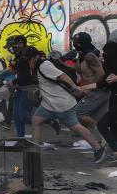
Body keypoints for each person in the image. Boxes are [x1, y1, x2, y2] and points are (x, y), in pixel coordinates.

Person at [28, 46, 106, 163]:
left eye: (29, 60)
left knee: (75, 126)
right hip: (49, 104)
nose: (29, 63)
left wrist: (75, 87)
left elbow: (62, 76)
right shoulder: (37, 66)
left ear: (35, 57)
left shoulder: (44, 65)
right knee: (36, 120)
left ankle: (98, 148)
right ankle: (35, 152)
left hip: (61, 103)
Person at [82, 31, 117, 159]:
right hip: (114, 97)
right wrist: (84, 87)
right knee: (111, 126)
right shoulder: (111, 63)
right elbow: (105, 83)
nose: (104, 55)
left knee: (103, 124)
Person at [71, 32, 109, 128]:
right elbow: (83, 74)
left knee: (79, 113)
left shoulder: (90, 56)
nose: (74, 44)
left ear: (81, 44)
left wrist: (90, 88)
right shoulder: (82, 55)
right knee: (96, 117)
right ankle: (101, 138)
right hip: (93, 90)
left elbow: (101, 74)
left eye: (76, 42)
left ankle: (105, 132)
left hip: (99, 91)